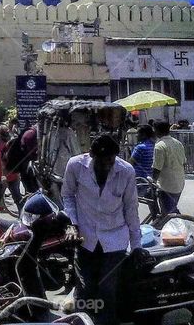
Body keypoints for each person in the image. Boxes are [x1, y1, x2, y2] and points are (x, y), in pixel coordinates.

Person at [62, 134, 141, 325]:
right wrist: (72, 224)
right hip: (85, 239)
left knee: (107, 291)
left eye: (111, 160)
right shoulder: (75, 166)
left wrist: (136, 245)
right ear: (92, 156)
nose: (108, 165)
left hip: (115, 240)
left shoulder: (126, 171)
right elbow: (67, 196)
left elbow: (131, 208)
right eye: (103, 161)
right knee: (84, 290)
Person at [152, 120, 186, 215]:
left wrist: (152, 182)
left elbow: (157, 168)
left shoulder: (159, 146)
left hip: (166, 186)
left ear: (157, 131)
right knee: (171, 209)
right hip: (179, 183)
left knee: (168, 215)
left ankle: (181, 225)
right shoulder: (178, 143)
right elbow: (184, 163)